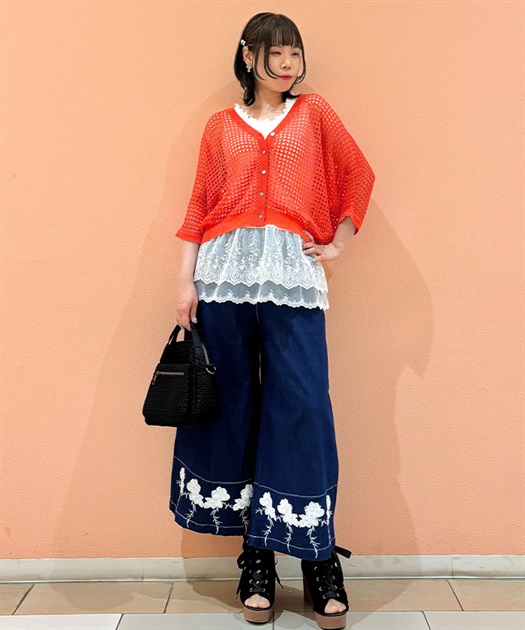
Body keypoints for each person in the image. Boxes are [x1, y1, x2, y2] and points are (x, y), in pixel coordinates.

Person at [170, 12, 375, 630]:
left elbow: (359, 173)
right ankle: (256, 559)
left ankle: (319, 558)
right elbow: (200, 204)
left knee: (303, 405)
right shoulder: (220, 126)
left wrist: (337, 243)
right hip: (223, 277)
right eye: (276, 53)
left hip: (291, 277)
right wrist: (184, 281)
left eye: (294, 53)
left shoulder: (314, 114)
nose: (287, 64)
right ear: (248, 56)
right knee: (235, 407)